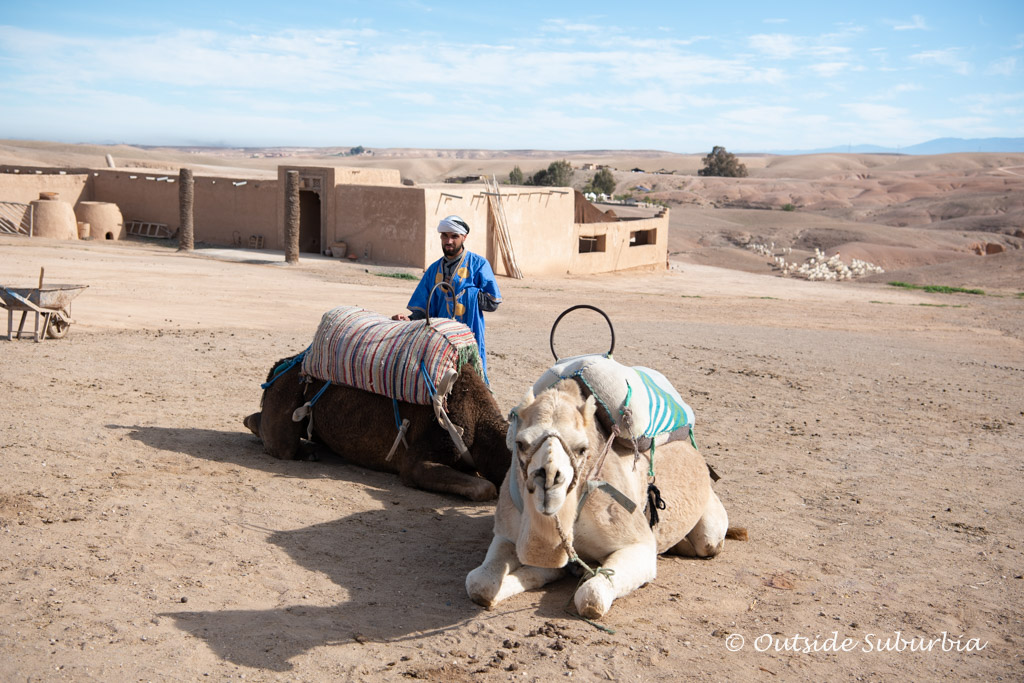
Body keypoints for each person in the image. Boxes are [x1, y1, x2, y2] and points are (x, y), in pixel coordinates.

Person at [393, 215, 502, 383]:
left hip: (468, 337)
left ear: (464, 237)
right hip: (440, 339)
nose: (448, 241)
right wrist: (409, 318)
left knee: (472, 383)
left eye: (454, 236)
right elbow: (423, 308)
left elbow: (493, 301)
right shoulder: (433, 269)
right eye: (445, 236)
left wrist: (467, 294)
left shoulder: (478, 264)